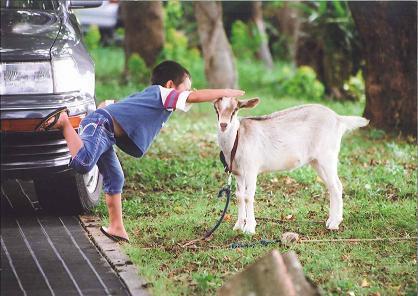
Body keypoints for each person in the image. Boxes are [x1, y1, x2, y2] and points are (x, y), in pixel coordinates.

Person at [35, 60, 245, 243]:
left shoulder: (149, 98)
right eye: (186, 89)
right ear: (170, 85)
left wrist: (105, 106)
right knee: (83, 163)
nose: (189, 95)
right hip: (101, 125)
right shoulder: (163, 94)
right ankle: (63, 122)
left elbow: (116, 105)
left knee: (115, 178)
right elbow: (197, 97)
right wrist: (226, 93)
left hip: (106, 131)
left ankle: (117, 228)